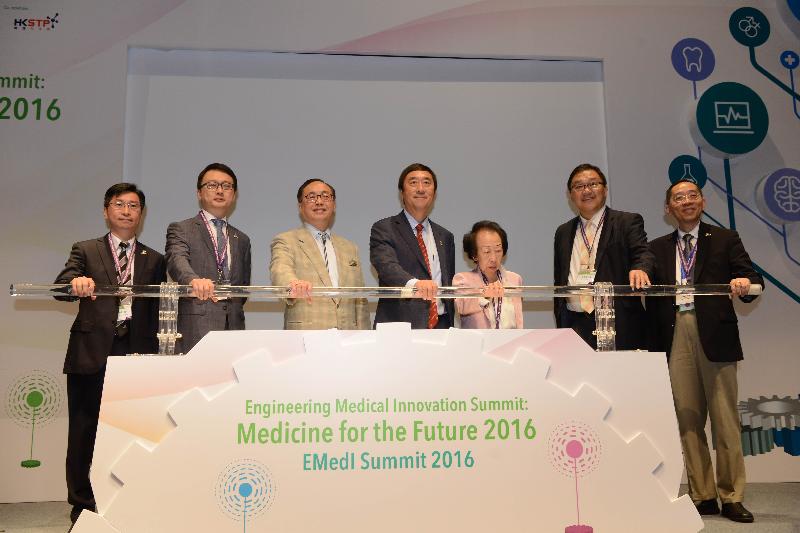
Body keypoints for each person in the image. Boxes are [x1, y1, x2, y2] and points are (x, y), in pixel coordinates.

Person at [647, 179, 762, 523]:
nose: (686, 201)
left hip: (715, 332)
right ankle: (703, 495)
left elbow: (751, 279)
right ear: (668, 209)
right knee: (688, 418)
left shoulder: (725, 238)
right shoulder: (657, 248)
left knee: (725, 419)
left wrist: (744, 284)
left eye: (692, 195)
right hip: (674, 333)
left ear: (703, 201)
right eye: (678, 198)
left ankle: (732, 496)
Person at [54, 183, 165, 526]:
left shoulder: (155, 259)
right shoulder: (86, 249)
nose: (127, 211)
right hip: (92, 351)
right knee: (84, 429)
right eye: (119, 204)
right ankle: (82, 503)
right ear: (106, 211)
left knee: (130, 430)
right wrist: (76, 284)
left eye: (134, 206)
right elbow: (62, 286)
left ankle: (124, 496)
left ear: (141, 215)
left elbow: (161, 307)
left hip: (136, 353)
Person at [553, 163, 653, 349]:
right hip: (574, 323)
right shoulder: (563, 232)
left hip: (617, 322)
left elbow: (642, 252)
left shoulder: (626, 222)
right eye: (579, 186)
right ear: (570, 195)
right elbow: (559, 278)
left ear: (605, 189)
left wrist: (640, 268)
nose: (586, 190)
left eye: (593, 184)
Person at [165, 162, 251, 352]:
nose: (220, 191)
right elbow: (176, 261)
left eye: (226, 186)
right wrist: (194, 280)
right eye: (212, 185)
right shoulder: (182, 229)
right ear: (199, 193)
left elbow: (242, 287)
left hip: (234, 328)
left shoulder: (242, 239)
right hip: (196, 325)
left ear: (234, 195)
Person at [270, 178, 370, 329]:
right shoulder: (286, 240)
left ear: (334, 204)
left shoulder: (350, 247)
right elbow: (280, 270)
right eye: (311, 197)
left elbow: (360, 300)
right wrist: (292, 283)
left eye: (325, 196)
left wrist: (364, 338)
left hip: (348, 337)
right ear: (300, 206)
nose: (319, 201)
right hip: (306, 336)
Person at [370, 163, 455, 329]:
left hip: (442, 325)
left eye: (427, 183)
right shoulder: (384, 228)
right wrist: (415, 285)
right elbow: (387, 267)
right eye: (413, 182)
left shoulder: (445, 236)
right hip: (399, 326)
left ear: (434, 193)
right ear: (402, 192)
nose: (421, 189)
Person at [453, 220, 523, 329]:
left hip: (510, 342)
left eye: (498, 250)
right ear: (474, 254)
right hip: (479, 344)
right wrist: (484, 296)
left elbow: (518, 321)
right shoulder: (463, 280)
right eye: (486, 251)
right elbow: (462, 307)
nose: (493, 258)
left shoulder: (514, 279)